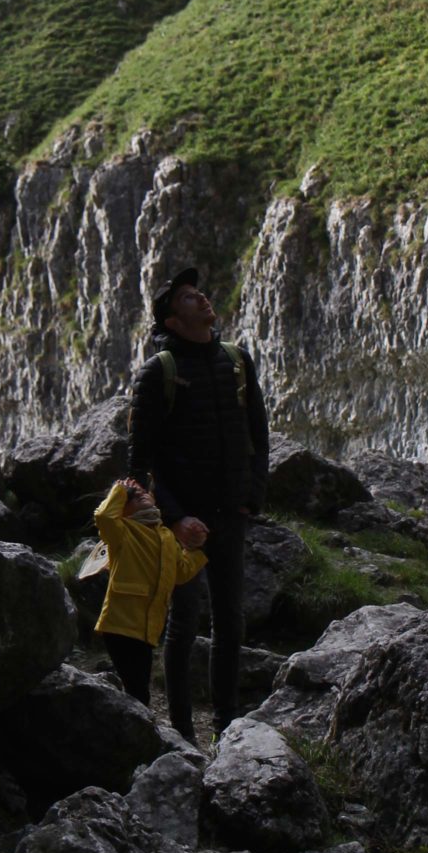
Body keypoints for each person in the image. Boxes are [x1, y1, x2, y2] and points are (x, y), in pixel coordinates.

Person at [127, 266, 270, 743]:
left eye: (200, 291)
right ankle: (184, 731)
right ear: (171, 321)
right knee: (184, 621)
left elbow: (259, 437)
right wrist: (174, 516)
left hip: (231, 514)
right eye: (188, 298)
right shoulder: (159, 373)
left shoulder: (237, 361)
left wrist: (251, 499)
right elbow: (139, 462)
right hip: (182, 522)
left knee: (231, 620)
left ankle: (227, 725)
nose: (202, 298)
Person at [89, 477, 207, 705]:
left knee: (138, 686)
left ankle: (129, 723)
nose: (140, 494)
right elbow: (103, 516)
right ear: (122, 508)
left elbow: (180, 572)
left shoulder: (166, 536)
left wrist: (197, 549)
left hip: (148, 627)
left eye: (143, 492)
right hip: (120, 624)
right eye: (133, 497)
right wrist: (119, 490)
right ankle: (133, 729)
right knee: (137, 689)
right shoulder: (122, 531)